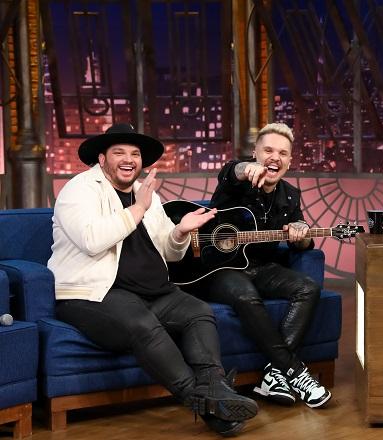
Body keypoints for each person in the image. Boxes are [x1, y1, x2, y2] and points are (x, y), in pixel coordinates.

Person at [47, 123, 258, 437]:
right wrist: (138, 208)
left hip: (150, 290)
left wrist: (181, 232)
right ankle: (201, 401)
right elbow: (91, 239)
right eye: (119, 152)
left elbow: (168, 252)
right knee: (143, 325)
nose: (129, 159)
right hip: (92, 293)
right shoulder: (79, 190)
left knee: (199, 312)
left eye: (135, 153)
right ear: (102, 159)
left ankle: (216, 389)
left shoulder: (148, 195)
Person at [190, 122, 331, 409]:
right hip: (220, 269)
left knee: (308, 288)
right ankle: (293, 369)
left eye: (282, 152)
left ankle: (273, 373)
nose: (274, 157)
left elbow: (299, 244)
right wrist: (243, 170)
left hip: (262, 266)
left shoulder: (290, 195)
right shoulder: (237, 181)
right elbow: (229, 171)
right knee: (246, 296)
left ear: (290, 161)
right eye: (267, 150)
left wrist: (301, 234)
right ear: (255, 153)